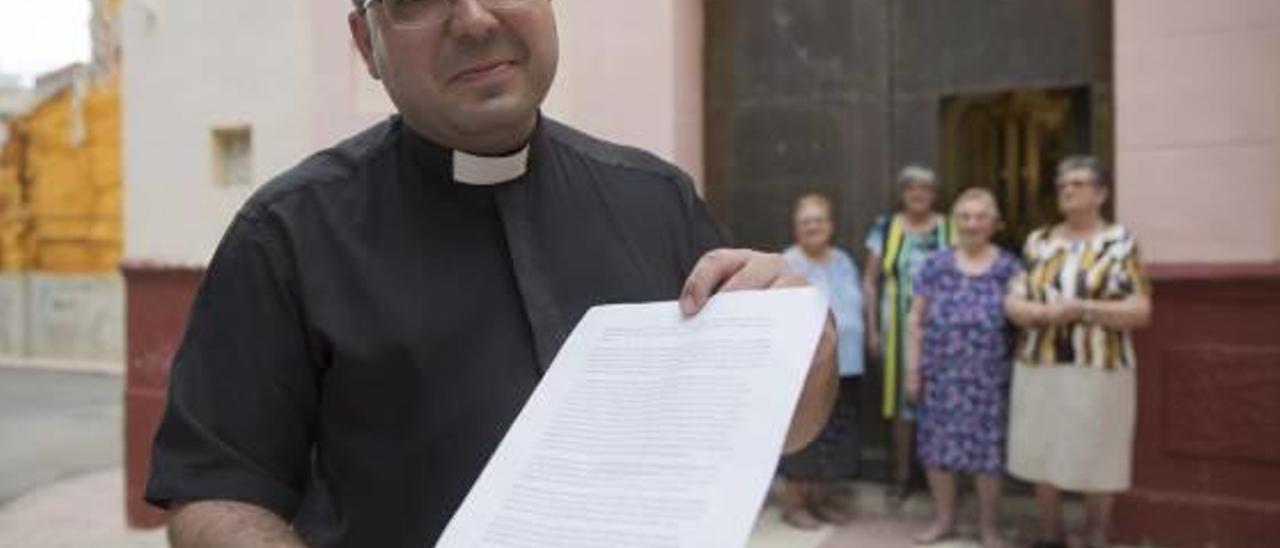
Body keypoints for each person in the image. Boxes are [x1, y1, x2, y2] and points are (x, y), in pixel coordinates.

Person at [143, 1, 840, 546]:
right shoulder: (286, 235)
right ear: (366, 45)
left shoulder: (657, 199)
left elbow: (789, 429)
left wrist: (803, 340)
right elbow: (216, 492)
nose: (475, 19)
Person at [1004, 156, 1153, 548]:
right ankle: (1050, 533)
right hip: (1040, 362)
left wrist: (1083, 310)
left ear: (1101, 193)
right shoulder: (1039, 242)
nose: (1067, 191)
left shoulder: (1120, 244)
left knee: (1097, 450)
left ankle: (1095, 532)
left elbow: (1140, 310)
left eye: (1078, 184)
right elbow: (1014, 301)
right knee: (1043, 448)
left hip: (1099, 366)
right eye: (1062, 185)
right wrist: (1036, 312)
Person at [906, 188, 1019, 548]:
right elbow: (915, 320)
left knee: (988, 456)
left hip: (988, 377)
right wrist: (912, 370)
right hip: (940, 374)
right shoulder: (935, 264)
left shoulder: (1008, 266)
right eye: (965, 217)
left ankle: (989, 528)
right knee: (937, 451)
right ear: (954, 222)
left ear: (994, 223)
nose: (972, 224)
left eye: (980, 216)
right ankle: (944, 521)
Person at [862, 164, 953, 507]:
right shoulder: (886, 228)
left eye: (925, 189)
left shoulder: (951, 227)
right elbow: (870, 281)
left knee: (941, 400)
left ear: (934, 194)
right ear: (902, 194)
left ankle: (940, 477)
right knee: (901, 404)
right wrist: (871, 328)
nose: (918, 195)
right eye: (911, 189)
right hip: (896, 327)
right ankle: (902, 475)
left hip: (942, 327)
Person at [778, 194, 866, 529]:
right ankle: (794, 504)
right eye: (806, 221)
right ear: (796, 228)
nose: (813, 226)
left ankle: (821, 500)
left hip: (849, 365)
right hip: (807, 369)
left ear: (830, 225)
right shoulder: (787, 263)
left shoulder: (843, 259)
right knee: (805, 436)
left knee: (835, 435)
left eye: (819, 220)